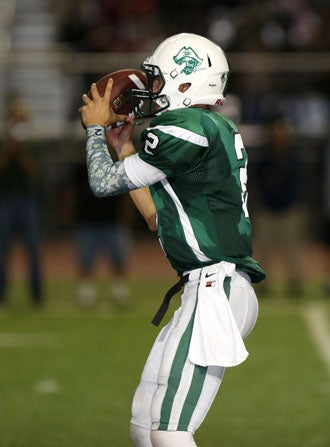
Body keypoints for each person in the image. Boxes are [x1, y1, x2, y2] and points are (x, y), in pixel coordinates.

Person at [79, 33, 265, 447]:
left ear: (187, 83)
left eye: (159, 81)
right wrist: (124, 147)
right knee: (145, 428)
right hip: (207, 288)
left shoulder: (188, 127)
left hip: (215, 290)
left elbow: (102, 183)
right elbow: (153, 216)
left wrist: (94, 132)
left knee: (169, 432)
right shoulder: (203, 129)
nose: (152, 91)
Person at [253, 114, 306, 297]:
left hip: (289, 209)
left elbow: (297, 180)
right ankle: (264, 285)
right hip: (268, 208)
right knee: (265, 250)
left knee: (292, 250)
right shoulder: (265, 153)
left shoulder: (293, 153)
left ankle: (295, 284)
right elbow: (260, 178)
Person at [0, 96, 43, 307]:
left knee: (33, 248)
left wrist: (21, 151)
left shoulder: (32, 142)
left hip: (27, 199)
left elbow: (35, 171)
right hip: (6, 199)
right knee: (2, 248)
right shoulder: (3, 141)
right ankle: (2, 292)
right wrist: (10, 148)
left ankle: (36, 293)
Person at [72, 161, 132, 307]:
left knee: (118, 257)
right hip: (87, 220)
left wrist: (126, 214)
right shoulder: (82, 168)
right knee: (86, 258)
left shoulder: (115, 165)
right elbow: (72, 192)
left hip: (112, 220)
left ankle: (118, 289)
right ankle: (87, 290)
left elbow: (125, 191)